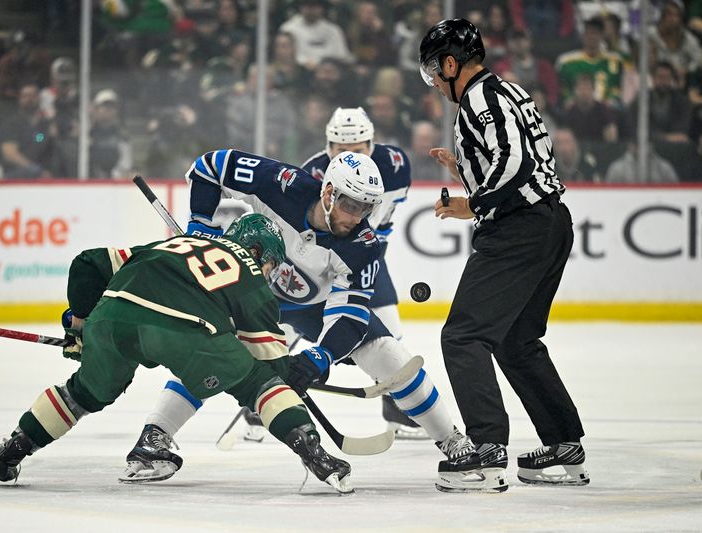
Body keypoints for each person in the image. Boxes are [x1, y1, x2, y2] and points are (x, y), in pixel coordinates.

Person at [120, 149, 473, 482]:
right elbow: (210, 166)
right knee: (212, 352)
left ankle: (453, 442)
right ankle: (153, 440)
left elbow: (350, 315)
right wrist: (200, 224)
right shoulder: (281, 184)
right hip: (248, 293)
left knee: (389, 355)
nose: (357, 217)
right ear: (330, 193)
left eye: (366, 208)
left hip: (313, 308)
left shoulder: (363, 246)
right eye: (351, 204)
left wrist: (321, 355)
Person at [0, 214, 354, 494]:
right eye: (270, 262)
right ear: (257, 250)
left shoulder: (167, 244)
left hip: (112, 317)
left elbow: (87, 263)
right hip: (186, 330)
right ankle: (314, 452)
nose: (270, 272)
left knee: (84, 393)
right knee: (258, 383)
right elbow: (270, 370)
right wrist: (290, 378)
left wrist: (81, 323)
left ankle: (10, 453)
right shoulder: (252, 276)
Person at [419, 18, 588, 492]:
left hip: (518, 230)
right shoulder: (508, 91)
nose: (434, 80)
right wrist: (467, 165)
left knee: (464, 337)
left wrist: (473, 201)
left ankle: (485, 455)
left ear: (452, 63)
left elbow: (515, 165)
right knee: (516, 341)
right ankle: (563, 445)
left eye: (435, 69)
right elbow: (531, 155)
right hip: (551, 222)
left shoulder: (477, 98)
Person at [300, 107, 423, 438]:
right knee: (280, 328)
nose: (349, 155)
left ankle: (397, 410)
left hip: (369, 256)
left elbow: (385, 214)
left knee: (391, 331)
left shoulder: (397, 165)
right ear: (328, 146)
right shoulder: (312, 173)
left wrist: (372, 242)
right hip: (324, 262)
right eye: (340, 149)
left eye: (357, 148)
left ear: (372, 143)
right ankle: (261, 403)